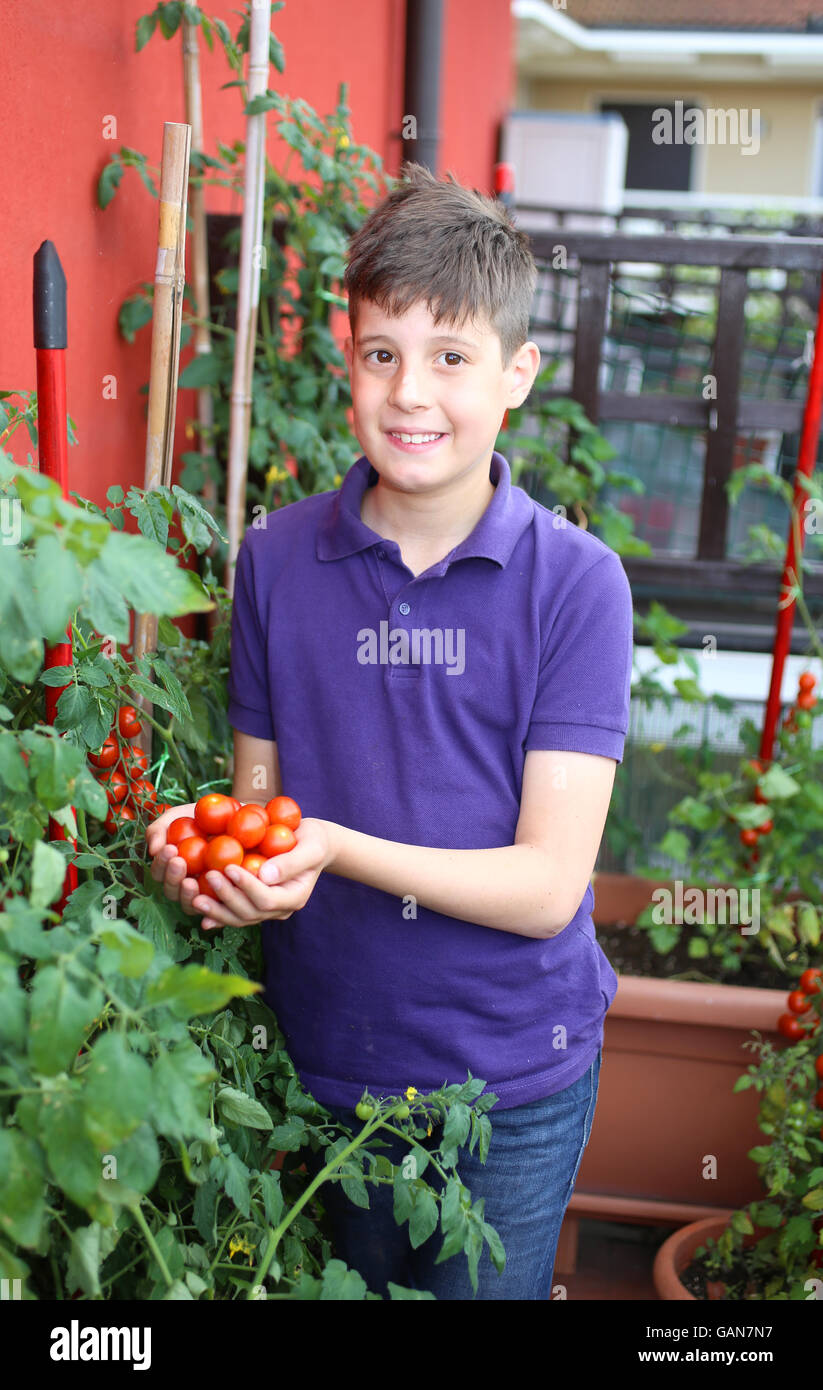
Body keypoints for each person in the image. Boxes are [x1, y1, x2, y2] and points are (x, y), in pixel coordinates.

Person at [147, 161, 634, 1300]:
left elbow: (545, 885)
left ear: (516, 374)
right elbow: (265, 812)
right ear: (347, 357)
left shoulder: (576, 586)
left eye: (451, 358)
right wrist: (212, 858)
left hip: (509, 1083)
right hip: (327, 1065)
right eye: (382, 354)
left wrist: (329, 843)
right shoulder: (274, 559)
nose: (410, 393)